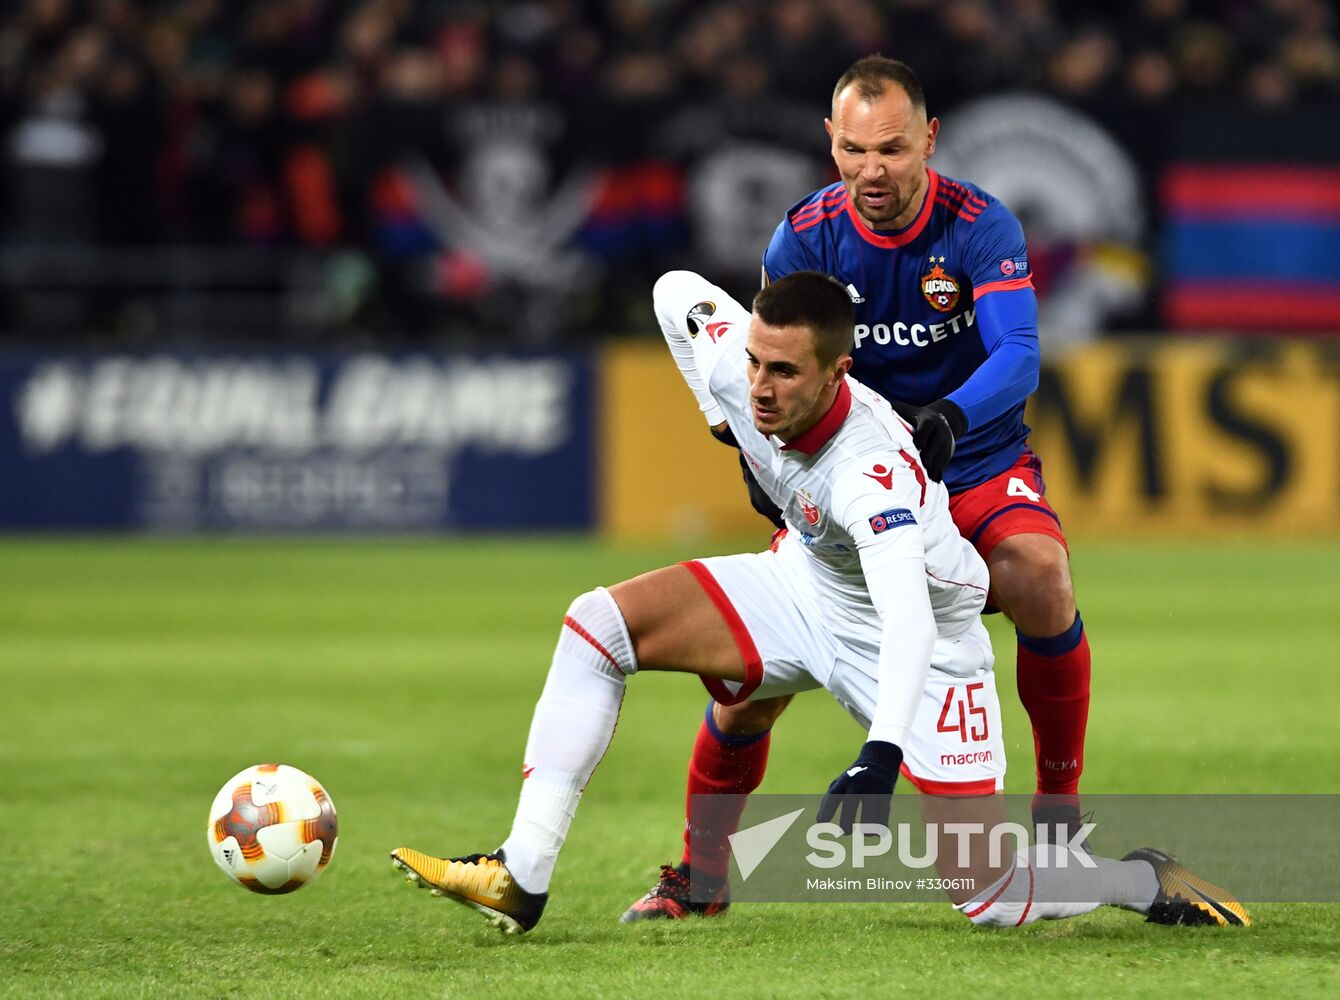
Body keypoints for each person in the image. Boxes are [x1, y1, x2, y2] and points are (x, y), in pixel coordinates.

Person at [389, 270, 1248, 933]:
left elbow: (909, 618)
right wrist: (716, 416)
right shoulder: (739, 368)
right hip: (806, 583)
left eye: (785, 373)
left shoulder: (875, 469)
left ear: (838, 371)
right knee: (596, 624)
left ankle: (1139, 880)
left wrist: (878, 756)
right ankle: (523, 871)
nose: (760, 387)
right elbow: (674, 293)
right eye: (755, 363)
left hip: (925, 648)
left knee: (987, 895)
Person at [623, 55, 1097, 922]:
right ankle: (701, 876)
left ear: (929, 139)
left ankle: (1060, 819)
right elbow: (773, 369)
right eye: (852, 150)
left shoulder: (980, 227)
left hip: (972, 459)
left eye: (891, 149)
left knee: (1040, 575)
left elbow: (1019, 354)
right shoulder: (801, 239)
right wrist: (755, 461)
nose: (871, 171)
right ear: (830, 144)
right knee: (748, 693)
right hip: (852, 480)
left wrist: (949, 417)